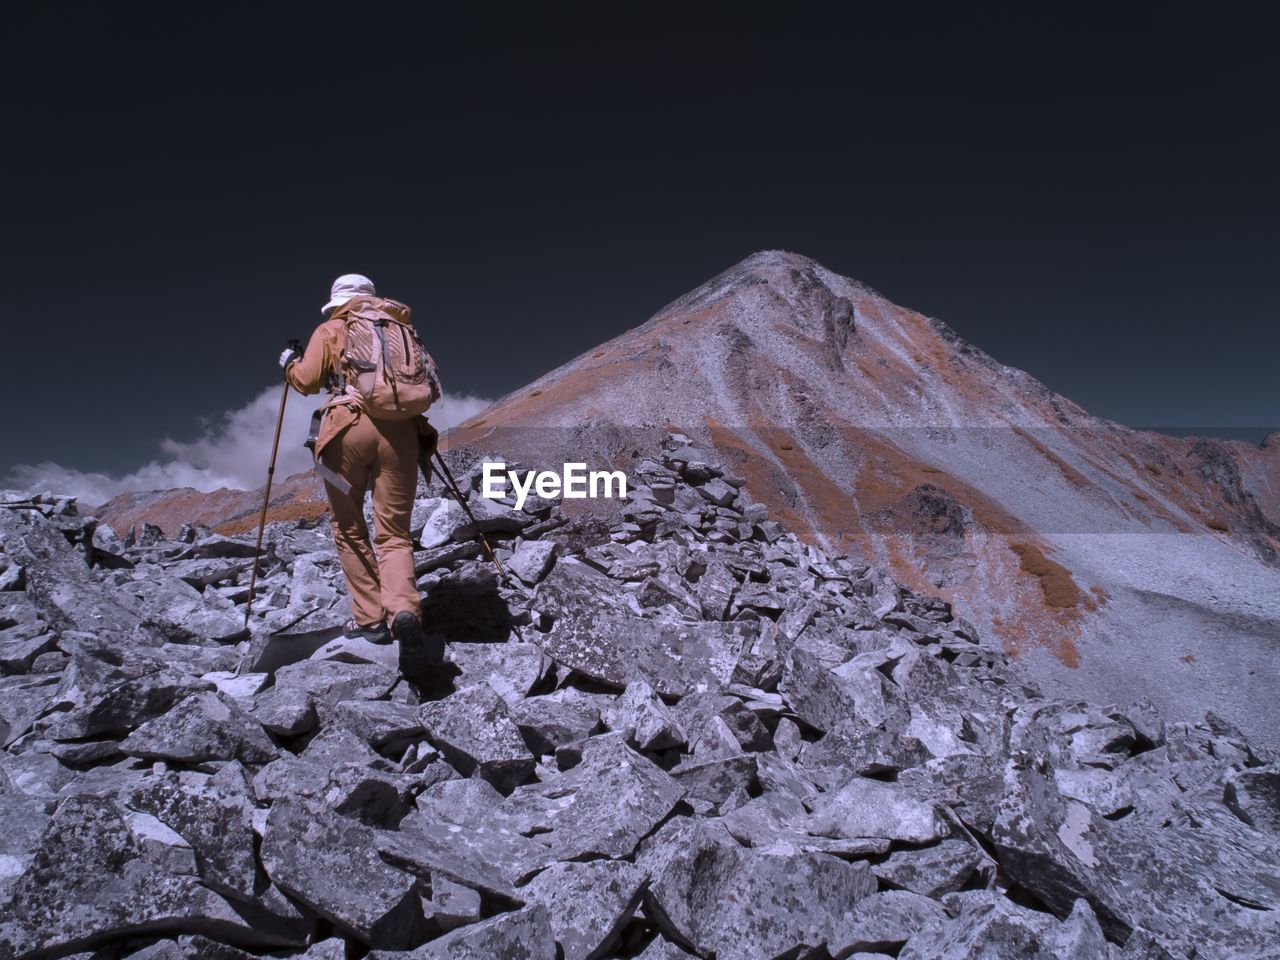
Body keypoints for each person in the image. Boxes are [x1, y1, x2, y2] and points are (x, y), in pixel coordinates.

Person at [280, 273, 441, 678]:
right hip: (401, 437)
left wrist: (288, 364)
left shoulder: (334, 327)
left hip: (345, 433)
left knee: (349, 526)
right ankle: (403, 610)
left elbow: (307, 380)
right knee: (394, 533)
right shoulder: (404, 329)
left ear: (338, 301)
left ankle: (369, 618)